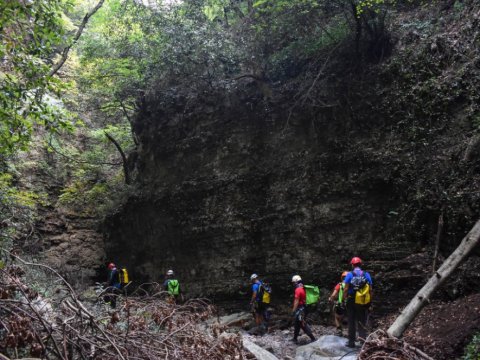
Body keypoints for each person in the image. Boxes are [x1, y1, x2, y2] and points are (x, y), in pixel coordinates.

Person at [343, 257, 373, 348]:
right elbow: (370, 289)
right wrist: (370, 302)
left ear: (352, 265)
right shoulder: (366, 274)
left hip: (352, 300)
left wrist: (344, 299)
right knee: (361, 320)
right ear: (361, 264)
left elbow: (346, 289)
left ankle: (351, 342)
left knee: (351, 320)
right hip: (362, 300)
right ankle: (362, 341)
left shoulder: (349, 274)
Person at [291, 275, 316, 344]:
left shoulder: (298, 289)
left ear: (296, 282)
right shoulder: (302, 288)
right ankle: (295, 338)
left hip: (300, 309)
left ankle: (313, 338)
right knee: (297, 323)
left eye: (293, 282)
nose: (293, 284)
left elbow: (296, 301)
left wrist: (293, 310)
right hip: (304, 308)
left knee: (302, 324)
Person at [328, 271, 348, 336]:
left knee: (336, 317)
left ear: (342, 278)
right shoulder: (351, 285)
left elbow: (334, 295)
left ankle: (339, 330)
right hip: (350, 304)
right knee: (343, 317)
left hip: (341, 303)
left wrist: (330, 299)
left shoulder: (340, 285)